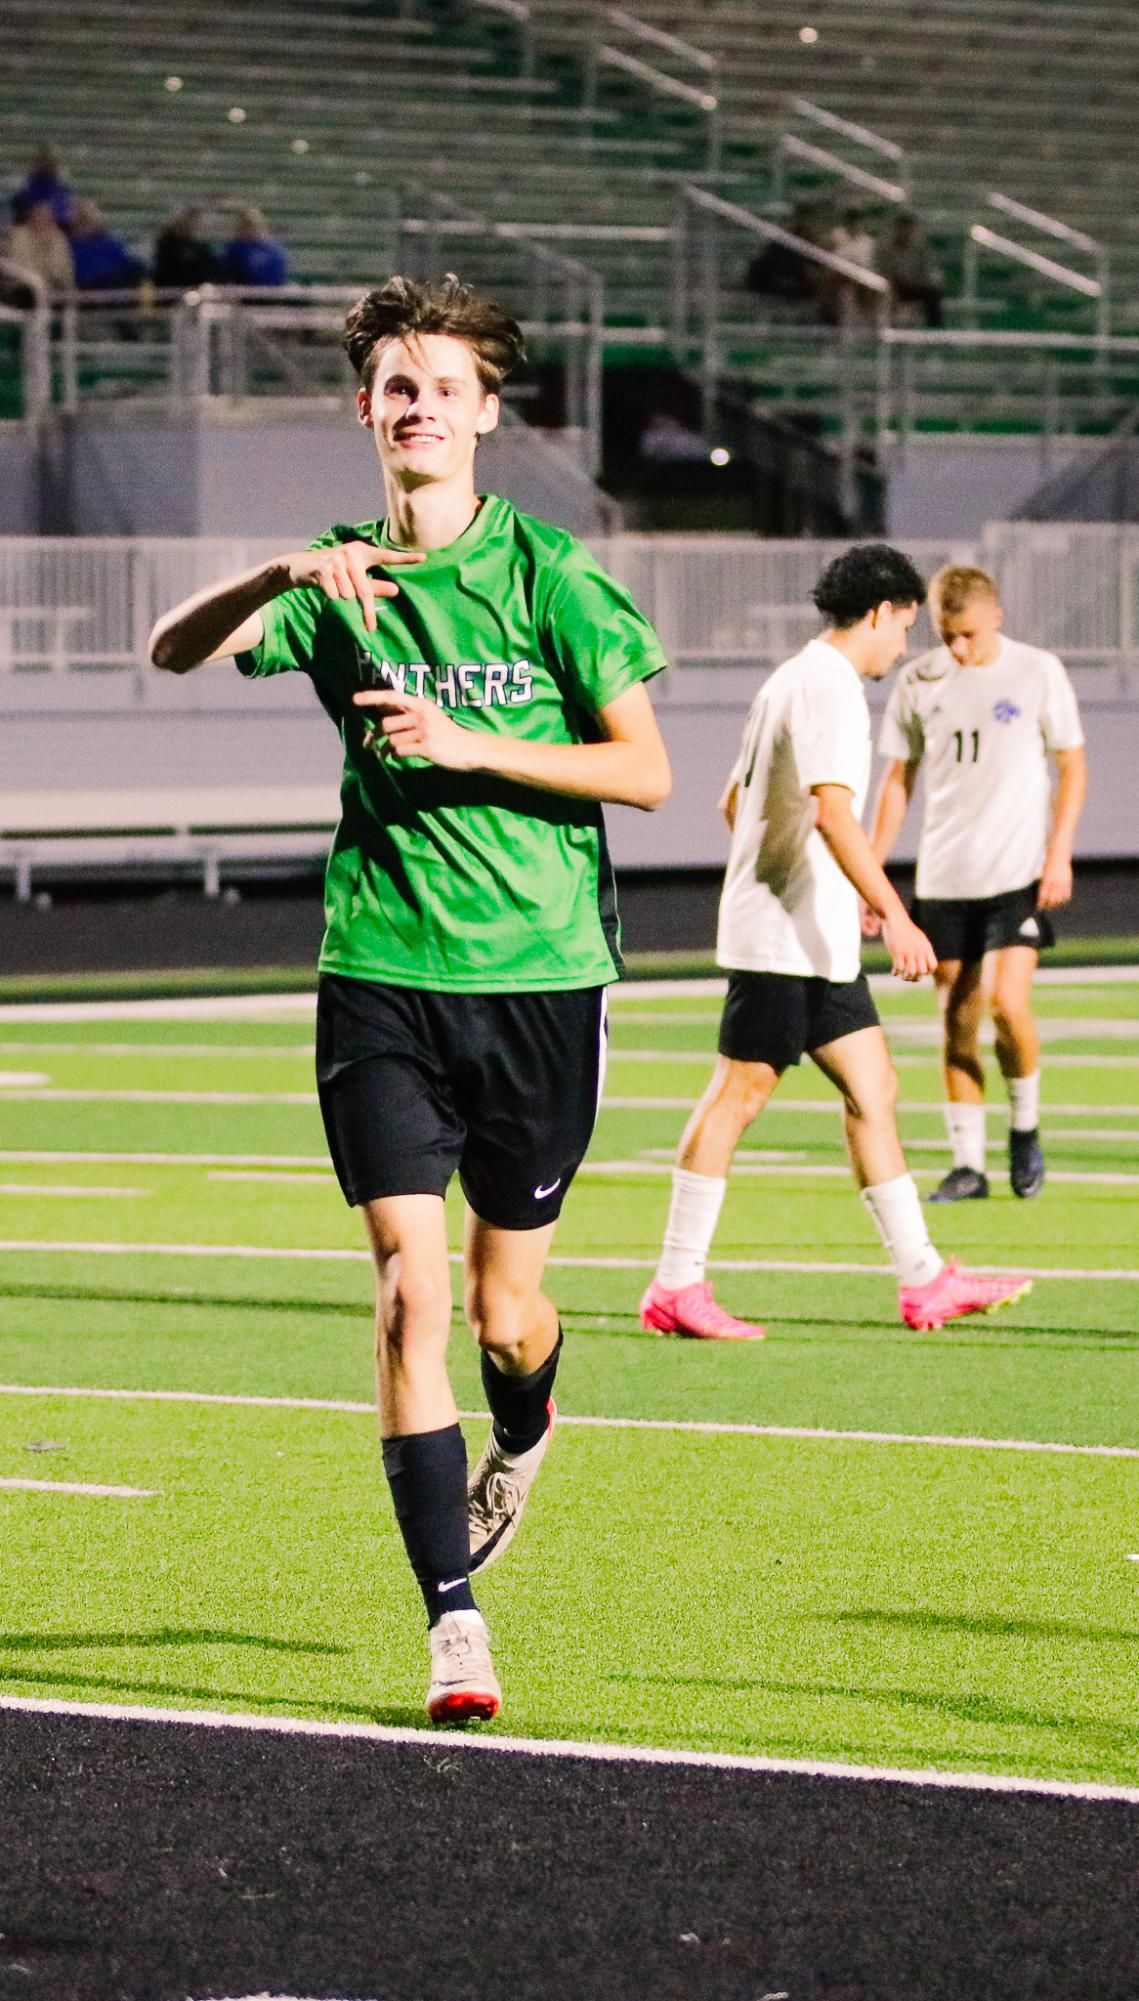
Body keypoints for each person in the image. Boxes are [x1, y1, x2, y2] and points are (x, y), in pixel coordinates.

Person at [148, 274, 671, 1724]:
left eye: (444, 382)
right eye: (394, 382)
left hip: (538, 976)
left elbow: (642, 772)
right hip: (379, 969)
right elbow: (168, 652)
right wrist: (273, 576)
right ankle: (453, 1622)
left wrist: (466, 743)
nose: (418, 402)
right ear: (364, 409)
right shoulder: (333, 574)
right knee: (402, 1292)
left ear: (485, 411)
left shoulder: (550, 576)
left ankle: (528, 1419)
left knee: (509, 1310)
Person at [639, 544, 1031, 1343]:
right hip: (780, 938)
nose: (904, 648)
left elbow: (733, 804)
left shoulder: (793, 677)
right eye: (906, 629)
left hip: (805, 932)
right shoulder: (828, 688)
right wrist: (892, 910)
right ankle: (675, 1283)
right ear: (882, 611)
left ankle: (922, 1280)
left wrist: (811, 884)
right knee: (737, 1095)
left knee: (872, 1086)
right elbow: (833, 814)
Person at [867, 563, 1086, 1202]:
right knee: (956, 1019)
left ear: (996, 616)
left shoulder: (1037, 671)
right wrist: (873, 871)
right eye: (945, 635)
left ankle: (1024, 1127)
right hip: (944, 875)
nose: (957, 648)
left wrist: (1060, 853)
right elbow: (898, 780)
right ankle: (969, 1164)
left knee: (1007, 1006)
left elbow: (1071, 766)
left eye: (966, 634)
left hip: (1016, 873)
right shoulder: (920, 680)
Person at [877, 211, 944, 329]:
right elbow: (883, 271)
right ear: (897, 229)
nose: (906, 233)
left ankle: (935, 330)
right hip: (894, 287)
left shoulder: (920, 250)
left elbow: (926, 272)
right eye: (903, 229)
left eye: (909, 229)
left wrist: (919, 279)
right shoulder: (886, 251)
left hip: (914, 286)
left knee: (933, 293)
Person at [67, 200, 147, 291]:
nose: (85, 221)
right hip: (90, 287)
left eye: (87, 218)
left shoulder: (109, 243)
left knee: (138, 269)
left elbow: (126, 262)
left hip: (115, 283)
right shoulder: (70, 247)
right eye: (81, 218)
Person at [4, 199, 74, 293]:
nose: (42, 220)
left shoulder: (58, 237)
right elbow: (20, 265)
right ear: (30, 218)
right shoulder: (18, 235)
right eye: (38, 216)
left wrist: (48, 245)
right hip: (23, 286)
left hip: (53, 286)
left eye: (46, 217)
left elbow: (63, 268)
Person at [218, 207, 289, 286]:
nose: (250, 229)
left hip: (271, 294)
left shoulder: (274, 251)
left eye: (253, 225)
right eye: (247, 226)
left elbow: (279, 276)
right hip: (242, 293)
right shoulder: (234, 249)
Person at [152, 207, 218, 290]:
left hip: (193, 288)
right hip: (171, 287)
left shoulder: (197, 248)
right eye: (182, 225)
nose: (187, 228)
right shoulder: (166, 246)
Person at [9, 146, 73, 227]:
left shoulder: (62, 190)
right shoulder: (29, 189)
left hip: (56, 226)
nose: (47, 165)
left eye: (52, 163)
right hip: (31, 226)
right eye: (44, 162)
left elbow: (64, 216)